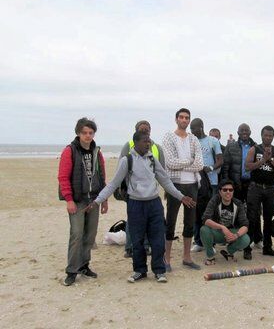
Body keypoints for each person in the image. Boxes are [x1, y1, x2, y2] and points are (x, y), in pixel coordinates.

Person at [86, 131, 196, 283]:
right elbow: (113, 184)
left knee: (157, 240)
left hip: (154, 204)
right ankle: (139, 271)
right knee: (137, 241)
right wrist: (97, 201)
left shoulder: (152, 159)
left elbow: (165, 181)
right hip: (135, 205)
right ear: (136, 143)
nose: (148, 143)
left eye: (149, 140)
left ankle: (159, 271)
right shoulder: (127, 160)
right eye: (145, 141)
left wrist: (181, 197)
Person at [58, 117, 108, 286]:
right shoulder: (69, 151)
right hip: (77, 200)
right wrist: (69, 200)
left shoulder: (97, 152)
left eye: (90, 133)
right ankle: (71, 270)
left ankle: (84, 265)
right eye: (84, 133)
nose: (87, 136)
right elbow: (63, 178)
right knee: (76, 234)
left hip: (94, 199)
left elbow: (102, 177)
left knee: (90, 235)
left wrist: (104, 199)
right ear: (78, 133)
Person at [162, 108, 204, 270]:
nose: (184, 120)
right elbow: (170, 163)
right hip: (174, 185)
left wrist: (185, 163)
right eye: (181, 117)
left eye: (187, 118)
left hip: (192, 185)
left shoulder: (193, 139)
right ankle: (167, 259)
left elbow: (199, 164)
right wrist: (189, 161)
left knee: (190, 222)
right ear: (176, 119)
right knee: (171, 221)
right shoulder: (168, 137)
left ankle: (187, 257)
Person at [120, 120, 165, 258]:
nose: (145, 132)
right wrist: (122, 188)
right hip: (133, 192)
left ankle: (145, 246)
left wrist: (167, 190)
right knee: (133, 220)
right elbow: (121, 168)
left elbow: (162, 172)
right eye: (142, 130)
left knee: (149, 221)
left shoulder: (157, 147)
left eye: (147, 129)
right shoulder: (128, 145)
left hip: (151, 192)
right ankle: (130, 247)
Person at [243, 125, 274, 259]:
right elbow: (247, 167)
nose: (268, 137)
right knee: (252, 218)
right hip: (255, 187)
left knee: (268, 218)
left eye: (270, 135)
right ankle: (247, 248)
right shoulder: (255, 149)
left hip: (270, 189)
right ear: (261, 135)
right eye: (266, 135)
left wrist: (271, 162)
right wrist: (263, 160)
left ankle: (267, 247)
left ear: (273, 136)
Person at [190, 118, 223, 252]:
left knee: (210, 213)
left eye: (194, 128)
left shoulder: (213, 141)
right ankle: (198, 241)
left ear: (201, 127)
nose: (192, 131)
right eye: (191, 129)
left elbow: (220, 160)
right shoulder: (191, 141)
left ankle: (211, 243)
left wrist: (211, 167)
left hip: (212, 183)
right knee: (196, 213)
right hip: (195, 182)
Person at [200, 179, 250, 265]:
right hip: (217, 232)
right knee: (204, 230)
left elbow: (245, 225)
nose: (228, 192)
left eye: (231, 190)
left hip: (231, 232)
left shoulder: (238, 203)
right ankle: (210, 256)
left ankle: (228, 252)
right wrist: (222, 227)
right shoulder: (215, 200)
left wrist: (236, 235)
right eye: (225, 190)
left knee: (245, 239)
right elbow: (205, 219)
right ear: (219, 191)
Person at [222, 123, 256, 203]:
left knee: (251, 210)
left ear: (250, 132)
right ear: (238, 133)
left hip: (251, 184)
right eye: (242, 130)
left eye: (246, 130)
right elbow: (225, 167)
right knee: (236, 209)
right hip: (235, 184)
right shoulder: (230, 147)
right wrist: (227, 183)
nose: (244, 132)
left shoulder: (256, 147)